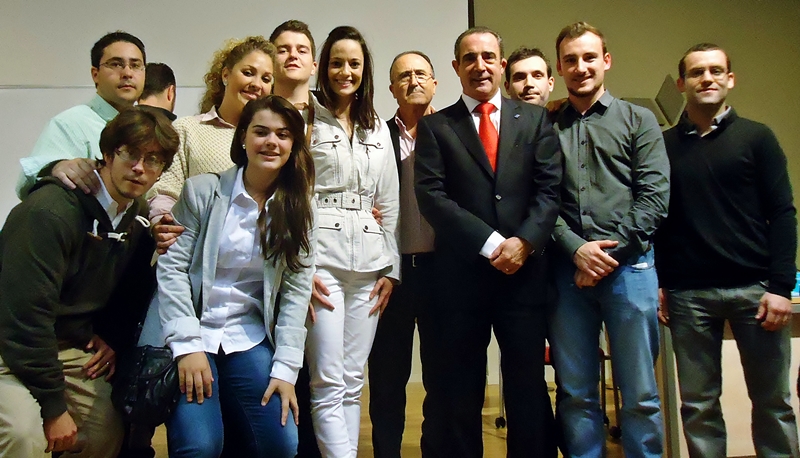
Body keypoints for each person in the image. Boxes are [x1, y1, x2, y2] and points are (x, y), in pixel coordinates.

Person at [414, 26, 562, 458]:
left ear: (501, 64)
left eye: (488, 56)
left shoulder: (535, 120)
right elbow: (432, 197)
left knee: (528, 388)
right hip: (461, 281)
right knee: (460, 390)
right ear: (457, 67)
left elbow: (549, 192)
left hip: (524, 276)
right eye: (469, 58)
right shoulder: (437, 127)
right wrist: (493, 243)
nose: (479, 65)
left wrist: (525, 243)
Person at [0, 106, 179, 458]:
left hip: (67, 345)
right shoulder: (49, 211)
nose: (140, 167)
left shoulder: (135, 216)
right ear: (109, 154)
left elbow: (129, 295)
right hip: (11, 345)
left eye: (154, 160)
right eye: (130, 154)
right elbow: (24, 318)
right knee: (26, 437)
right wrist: (54, 409)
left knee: (104, 432)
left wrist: (109, 339)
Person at [655, 43, 799, 458]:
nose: (707, 78)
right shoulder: (663, 147)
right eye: (697, 72)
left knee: (773, 403)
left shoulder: (758, 138)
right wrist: (663, 284)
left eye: (716, 71)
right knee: (698, 407)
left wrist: (780, 287)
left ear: (730, 79)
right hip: (688, 297)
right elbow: (660, 222)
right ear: (682, 83)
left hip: (754, 293)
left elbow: (783, 214)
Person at [157, 95, 315, 458]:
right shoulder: (202, 192)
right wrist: (188, 347)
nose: (271, 142)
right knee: (200, 446)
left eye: (283, 134)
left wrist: (286, 371)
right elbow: (173, 268)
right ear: (243, 137)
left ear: (294, 144)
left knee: (282, 443)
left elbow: (295, 292)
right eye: (261, 132)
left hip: (248, 336)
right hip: (193, 332)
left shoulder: (300, 209)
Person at [548, 22, 669, 458]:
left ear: (606, 61)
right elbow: (542, 202)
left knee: (639, 395)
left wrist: (604, 257)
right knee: (576, 393)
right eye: (571, 60)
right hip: (567, 274)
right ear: (559, 67)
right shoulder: (547, 125)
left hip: (630, 272)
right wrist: (576, 251)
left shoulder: (640, 120)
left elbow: (654, 199)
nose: (581, 67)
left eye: (589, 57)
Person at [305, 26, 400, 458]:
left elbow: (390, 202)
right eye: (337, 62)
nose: (346, 71)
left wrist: (392, 270)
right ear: (323, 68)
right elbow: (295, 195)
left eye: (355, 63)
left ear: (366, 70)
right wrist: (300, 268)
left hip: (369, 265)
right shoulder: (305, 117)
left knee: (352, 379)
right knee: (325, 379)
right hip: (320, 260)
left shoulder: (376, 125)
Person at [367, 50, 437, 458]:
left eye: (421, 74)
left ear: (434, 82)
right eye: (403, 76)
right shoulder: (374, 135)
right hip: (390, 273)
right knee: (387, 379)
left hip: (439, 272)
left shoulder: (451, 131)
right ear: (391, 87)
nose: (413, 81)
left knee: (441, 378)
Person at [148, 36, 274, 254]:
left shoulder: (273, 143)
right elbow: (165, 192)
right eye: (248, 73)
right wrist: (162, 223)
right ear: (226, 74)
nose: (256, 84)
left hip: (252, 264)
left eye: (266, 78)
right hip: (190, 256)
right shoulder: (187, 129)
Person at [269, 19, 322, 458]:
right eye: (282, 48)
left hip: (326, 262)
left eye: (301, 48)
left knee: (316, 374)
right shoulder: (254, 117)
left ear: (314, 61)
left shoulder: (334, 113)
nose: (292, 55)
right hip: (266, 262)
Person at [16, 31, 146, 198]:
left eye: (135, 65)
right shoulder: (70, 124)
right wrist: (56, 166)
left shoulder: (148, 129)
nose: (127, 73)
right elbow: (26, 182)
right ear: (95, 74)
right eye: (116, 64)